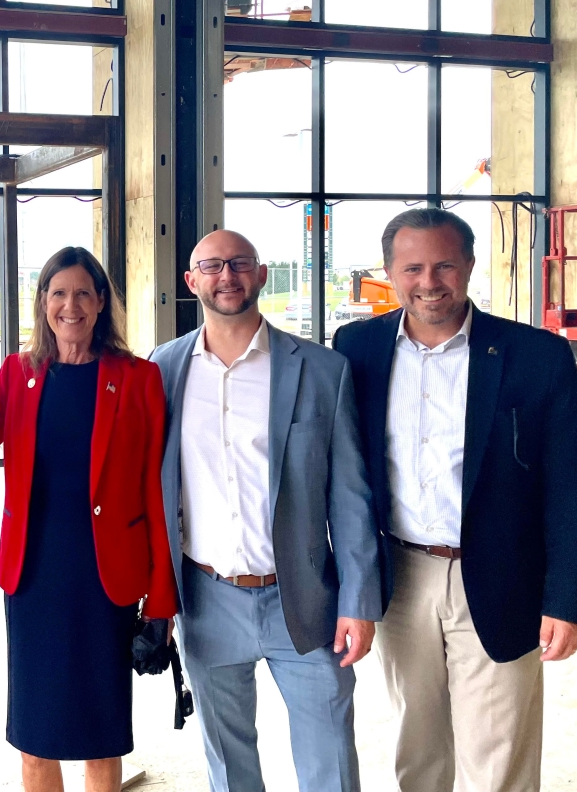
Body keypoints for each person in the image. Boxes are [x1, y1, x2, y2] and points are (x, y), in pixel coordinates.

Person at [333, 208, 577, 792]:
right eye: (413, 268)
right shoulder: (357, 349)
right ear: (389, 272)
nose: (429, 281)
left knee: (498, 754)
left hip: (503, 573)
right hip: (401, 577)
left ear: (470, 266)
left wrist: (570, 598)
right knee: (417, 745)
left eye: (444, 265)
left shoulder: (536, 357)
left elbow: (573, 488)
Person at [149, 229, 381, 792]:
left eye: (238, 264)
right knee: (229, 765)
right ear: (191, 281)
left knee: (330, 758)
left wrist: (358, 600)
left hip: (303, 599)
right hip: (207, 598)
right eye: (211, 266)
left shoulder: (322, 370)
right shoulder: (163, 369)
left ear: (260, 274)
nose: (225, 276)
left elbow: (349, 497)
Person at [0, 246, 177, 792]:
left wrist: (161, 597)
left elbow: (156, 493)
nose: (71, 305)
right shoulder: (19, 374)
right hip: (34, 575)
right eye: (59, 293)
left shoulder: (138, 379)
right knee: (35, 737)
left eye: (83, 293)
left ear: (101, 302)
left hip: (104, 581)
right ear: (43, 302)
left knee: (99, 734)